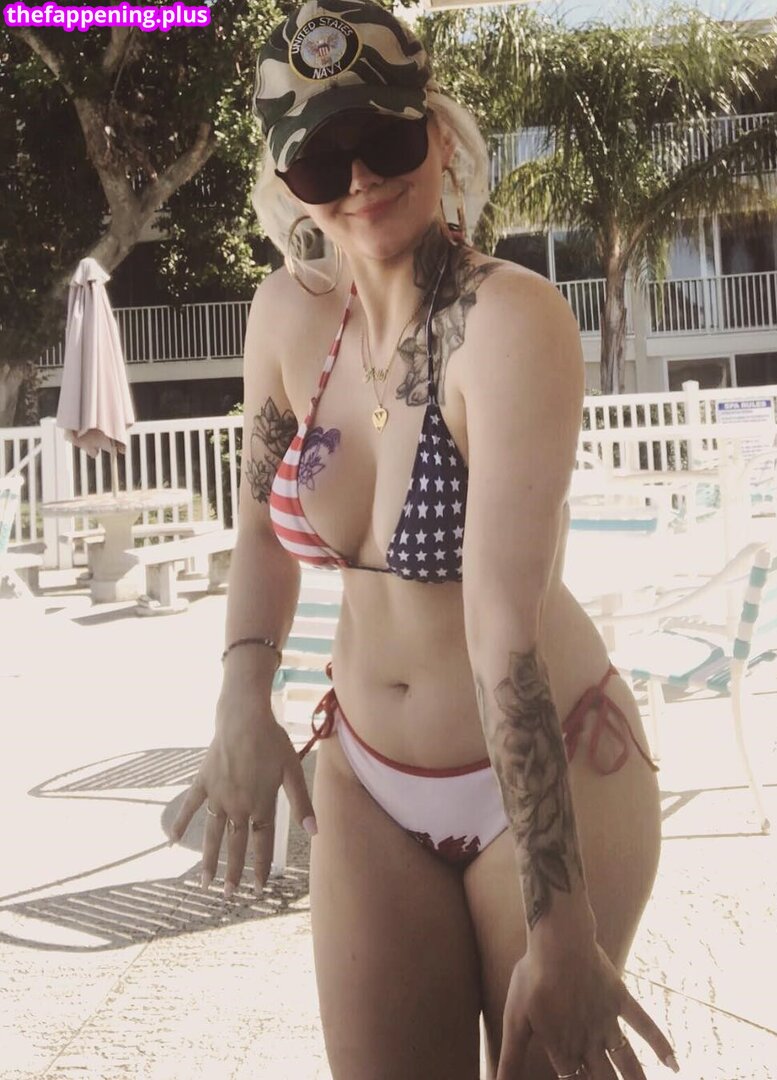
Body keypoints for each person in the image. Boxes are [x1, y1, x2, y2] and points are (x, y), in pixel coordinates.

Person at [170, 3, 679, 1077]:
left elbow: (502, 626)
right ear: (287, 183)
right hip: (367, 775)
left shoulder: (509, 320)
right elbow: (260, 532)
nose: (359, 178)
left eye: (386, 140)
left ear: (438, 136)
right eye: (321, 161)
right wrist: (241, 697)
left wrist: (561, 926)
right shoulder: (284, 317)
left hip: (543, 770)